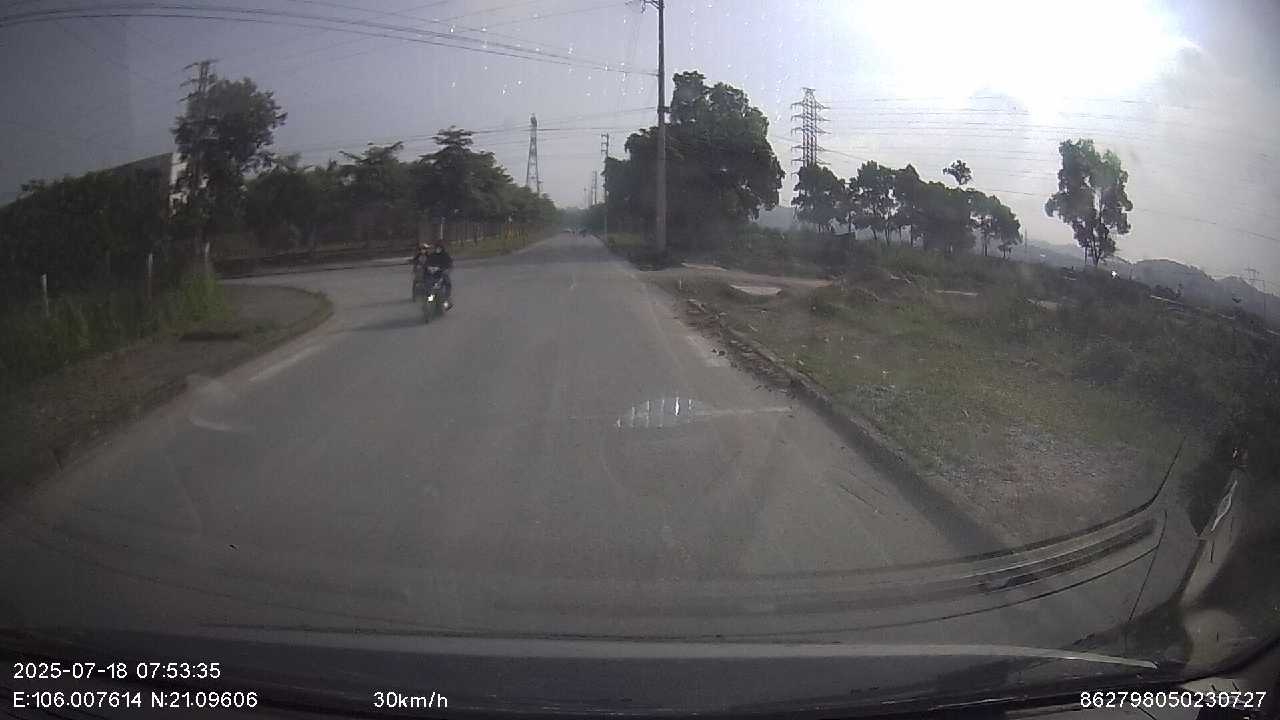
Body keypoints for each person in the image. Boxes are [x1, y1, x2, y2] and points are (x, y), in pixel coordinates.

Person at [415, 242, 453, 308]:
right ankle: (427, 304)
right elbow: (427, 263)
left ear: (442, 248)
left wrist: (440, 268)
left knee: (446, 284)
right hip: (432, 275)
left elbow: (449, 264)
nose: (438, 250)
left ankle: (446, 302)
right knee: (430, 290)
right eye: (437, 248)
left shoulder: (445, 255)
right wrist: (429, 268)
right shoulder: (432, 255)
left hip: (441, 274)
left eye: (439, 248)